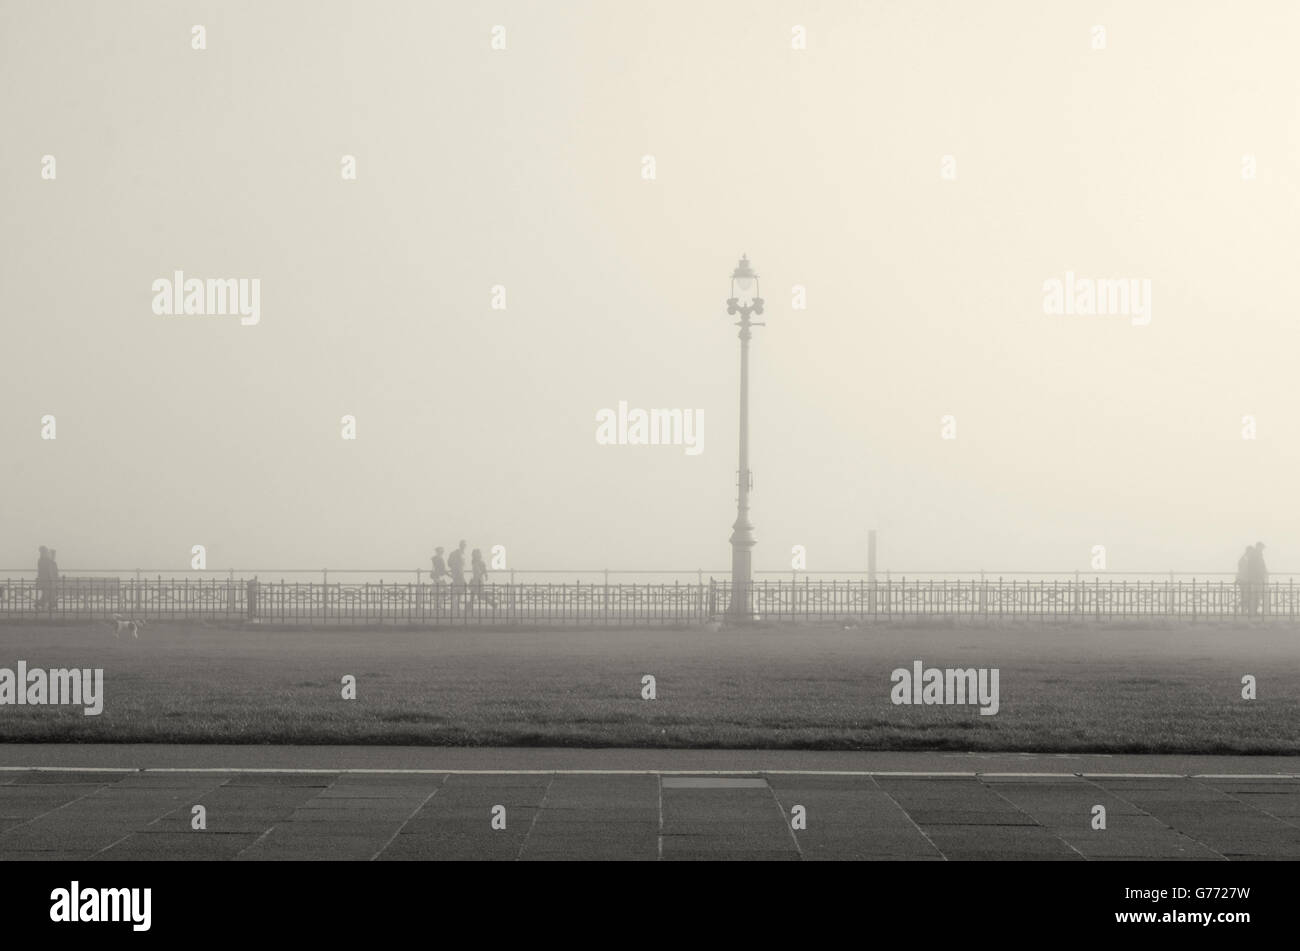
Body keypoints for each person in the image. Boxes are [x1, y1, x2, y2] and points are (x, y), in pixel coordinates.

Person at [448, 540, 468, 608]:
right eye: (464, 545)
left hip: (455, 574)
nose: (465, 546)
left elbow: (449, 563)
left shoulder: (455, 553)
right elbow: (459, 565)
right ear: (462, 545)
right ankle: (456, 605)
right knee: (462, 588)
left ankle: (455, 605)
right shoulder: (459, 553)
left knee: (456, 589)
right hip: (459, 574)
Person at [1236, 546, 1253, 615]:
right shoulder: (1245, 559)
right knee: (1245, 595)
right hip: (1244, 580)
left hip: (1243, 579)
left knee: (1245, 595)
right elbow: (1243, 569)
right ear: (1248, 551)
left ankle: (1242, 609)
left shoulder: (1244, 558)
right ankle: (1241, 609)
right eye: (1251, 551)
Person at [35, 546, 51, 611]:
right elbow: (47, 569)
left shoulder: (41, 559)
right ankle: (41, 605)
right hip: (45, 579)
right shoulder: (44, 559)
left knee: (45, 593)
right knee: (46, 592)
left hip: (43, 579)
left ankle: (40, 604)